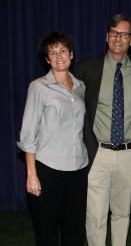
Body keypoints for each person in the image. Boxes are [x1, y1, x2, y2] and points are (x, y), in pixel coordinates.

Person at [73, 14, 131, 246]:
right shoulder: (86, 68)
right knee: (95, 216)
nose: (119, 38)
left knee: (122, 214)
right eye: (114, 33)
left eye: (124, 34)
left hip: (129, 154)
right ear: (107, 37)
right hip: (98, 153)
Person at [17, 31, 88, 246]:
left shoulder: (80, 87)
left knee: (75, 230)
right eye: (53, 52)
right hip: (48, 169)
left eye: (63, 51)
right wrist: (32, 174)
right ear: (47, 59)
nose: (59, 56)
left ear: (72, 54)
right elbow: (28, 134)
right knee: (46, 232)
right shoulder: (38, 87)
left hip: (78, 169)